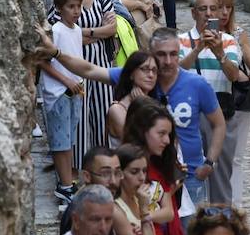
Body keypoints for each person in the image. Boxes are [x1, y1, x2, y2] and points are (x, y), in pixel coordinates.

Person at [37, 26, 226, 216]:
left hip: (190, 175)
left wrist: (209, 163)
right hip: (149, 180)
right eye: (161, 55)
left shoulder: (196, 84)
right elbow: (89, 69)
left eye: (173, 54)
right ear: (151, 55)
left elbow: (218, 123)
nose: (167, 61)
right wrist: (56, 53)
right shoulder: (143, 76)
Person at [50, 0, 117, 168]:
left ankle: (103, 166)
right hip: (73, 62)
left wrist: (83, 32)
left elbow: (112, 28)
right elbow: (55, 28)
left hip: (100, 59)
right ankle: (77, 169)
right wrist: (92, 32)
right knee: (78, 119)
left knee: (102, 114)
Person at [178, 0, 246, 204]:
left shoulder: (228, 41)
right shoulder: (180, 40)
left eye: (213, 9)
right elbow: (176, 72)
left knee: (220, 175)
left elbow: (234, 76)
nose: (208, 14)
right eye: (202, 9)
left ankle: (221, 220)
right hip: (190, 114)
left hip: (221, 114)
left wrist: (219, 53)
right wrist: (198, 48)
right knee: (189, 173)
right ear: (193, 13)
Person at [212, 0, 250, 206]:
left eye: (229, 7)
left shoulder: (238, 33)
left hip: (236, 100)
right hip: (213, 97)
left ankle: (235, 204)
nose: (224, 12)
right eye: (220, 7)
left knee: (236, 156)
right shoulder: (201, 35)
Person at [122, 97, 189, 235]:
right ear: (143, 132)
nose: (167, 141)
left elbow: (168, 213)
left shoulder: (160, 165)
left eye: (168, 134)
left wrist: (146, 215)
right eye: (161, 134)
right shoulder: (125, 163)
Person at [39, 0, 86, 207]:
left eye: (78, 6)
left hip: (75, 90)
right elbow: (43, 61)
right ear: (59, 8)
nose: (76, 11)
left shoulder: (76, 30)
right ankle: (64, 185)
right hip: (58, 92)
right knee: (60, 142)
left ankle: (68, 182)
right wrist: (66, 80)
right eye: (70, 7)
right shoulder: (56, 31)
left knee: (69, 140)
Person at [111, 144, 159, 235]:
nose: (142, 177)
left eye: (144, 171)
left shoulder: (139, 200)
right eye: (134, 172)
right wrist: (144, 211)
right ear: (120, 174)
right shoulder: (116, 208)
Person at [107, 51, 158, 146]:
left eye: (154, 70)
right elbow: (139, 144)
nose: (151, 75)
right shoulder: (117, 109)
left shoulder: (156, 102)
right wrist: (144, 107)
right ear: (131, 74)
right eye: (145, 69)